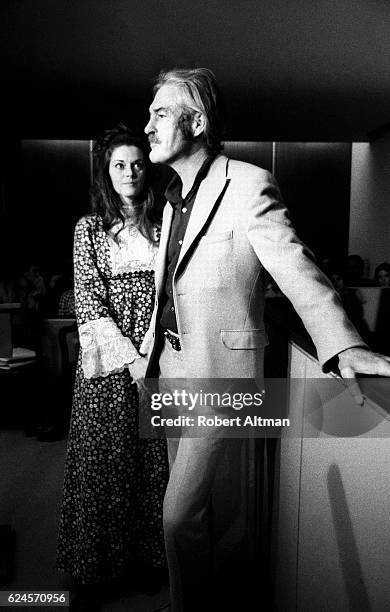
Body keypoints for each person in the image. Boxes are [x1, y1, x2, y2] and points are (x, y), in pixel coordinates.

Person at [137, 68, 390, 612]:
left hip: (220, 378)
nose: (148, 126)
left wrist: (342, 343)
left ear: (196, 121)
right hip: (173, 370)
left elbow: (295, 263)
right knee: (199, 516)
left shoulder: (247, 183)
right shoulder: (169, 200)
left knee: (176, 516)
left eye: (160, 113)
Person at [56, 124, 169, 610]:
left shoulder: (165, 222)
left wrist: (151, 356)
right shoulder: (89, 228)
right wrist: (130, 360)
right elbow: (90, 303)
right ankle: (95, 574)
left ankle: (146, 563)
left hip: (158, 358)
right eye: (120, 164)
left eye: (138, 163)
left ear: (149, 168)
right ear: (107, 170)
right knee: (102, 467)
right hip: (108, 369)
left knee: (151, 468)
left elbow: (170, 295)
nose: (130, 172)